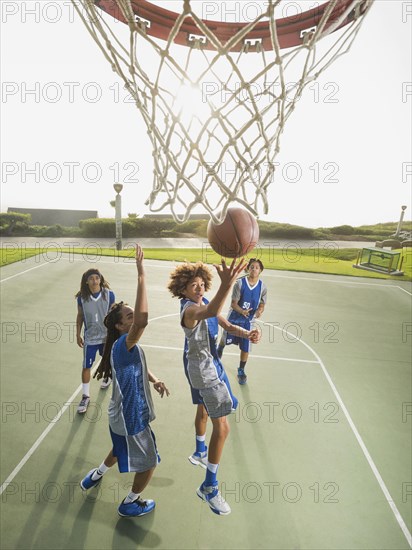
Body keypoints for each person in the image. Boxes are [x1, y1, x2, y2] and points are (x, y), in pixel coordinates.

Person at [79, 244, 170, 518]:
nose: (134, 319)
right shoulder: (123, 344)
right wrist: (142, 274)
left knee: (119, 448)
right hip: (131, 416)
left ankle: (95, 475)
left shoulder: (120, 346)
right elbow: (143, 322)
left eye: (131, 314)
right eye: (128, 316)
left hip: (118, 415)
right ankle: (130, 502)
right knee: (150, 461)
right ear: (120, 326)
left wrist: (153, 379)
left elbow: (137, 365)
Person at [168, 258, 260, 515]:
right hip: (205, 373)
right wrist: (228, 283)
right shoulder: (190, 311)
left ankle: (199, 452)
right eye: (192, 285)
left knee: (208, 412)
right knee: (223, 427)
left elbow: (225, 323)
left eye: (201, 284)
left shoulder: (205, 302)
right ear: (182, 290)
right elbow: (209, 313)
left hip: (210, 366)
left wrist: (247, 334)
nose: (198, 288)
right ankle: (210, 486)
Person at [217, 258, 267, 385]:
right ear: (247, 269)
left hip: (248, 322)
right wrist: (242, 311)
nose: (254, 269)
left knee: (246, 347)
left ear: (260, 270)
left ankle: (241, 370)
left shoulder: (262, 287)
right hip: (235, 317)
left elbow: (262, 304)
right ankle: (219, 351)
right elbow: (234, 304)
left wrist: (260, 311)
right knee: (224, 339)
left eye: (256, 267)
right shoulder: (239, 283)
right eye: (251, 267)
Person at [75, 268, 115, 414]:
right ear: (86, 281)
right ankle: (85, 396)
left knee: (109, 361)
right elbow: (80, 316)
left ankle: (108, 377)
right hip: (90, 338)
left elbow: (113, 315)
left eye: (96, 278)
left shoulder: (109, 294)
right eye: (91, 278)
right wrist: (77, 334)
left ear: (100, 279)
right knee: (86, 366)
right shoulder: (81, 298)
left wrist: (115, 333)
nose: (94, 281)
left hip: (106, 337)